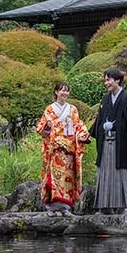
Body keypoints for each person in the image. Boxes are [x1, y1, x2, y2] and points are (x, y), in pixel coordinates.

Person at [91, 68, 127, 215]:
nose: (106, 83)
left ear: (117, 80)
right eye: (105, 80)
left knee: (121, 171)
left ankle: (122, 207)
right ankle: (104, 207)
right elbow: (99, 119)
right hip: (106, 141)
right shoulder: (105, 99)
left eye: (109, 79)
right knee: (104, 172)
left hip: (121, 141)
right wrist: (89, 133)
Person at [36, 82, 90, 217]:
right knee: (53, 179)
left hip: (69, 150)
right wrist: (48, 128)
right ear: (56, 92)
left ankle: (65, 207)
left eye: (67, 91)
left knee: (68, 179)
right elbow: (42, 128)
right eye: (61, 91)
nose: (64, 93)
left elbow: (78, 125)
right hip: (55, 150)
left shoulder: (73, 110)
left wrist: (83, 135)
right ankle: (52, 207)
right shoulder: (49, 109)